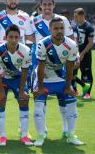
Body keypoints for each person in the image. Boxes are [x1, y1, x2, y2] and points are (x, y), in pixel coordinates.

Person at [33, 17, 84, 146]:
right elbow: (41, 66)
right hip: (43, 78)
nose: (59, 31)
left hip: (61, 78)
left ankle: (70, 135)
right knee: (38, 106)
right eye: (56, 28)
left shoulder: (71, 45)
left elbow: (69, 68)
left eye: (62, 28)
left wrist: (68, 87)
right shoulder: (43, 44)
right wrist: (39, 87)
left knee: (71, 104)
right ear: (50, 29)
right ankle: (40, 135)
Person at [31, 0, 75, 137]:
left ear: (53, 5)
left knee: (63, 99)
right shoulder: (34, 21)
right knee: (40, 99)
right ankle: (42, 131)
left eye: (50, 4)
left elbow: (71, 40)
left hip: (59, 66)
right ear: (41, 6)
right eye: (45, 4)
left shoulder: (62, 20)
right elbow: (30, 41)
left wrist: (77, 56)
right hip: (40, 64)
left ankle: (66, 129)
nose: (47, 7)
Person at [0, 24, 33, 146]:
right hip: (2, 79)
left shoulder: (26, 50)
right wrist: (1, 91)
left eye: (16, 37)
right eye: (11, 37)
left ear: (20, 38)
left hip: (18, 79)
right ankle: (2, 136)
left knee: (24, 100)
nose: (14, 40)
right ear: (5, 37)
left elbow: (25, 71)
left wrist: (22, 91)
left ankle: (24, 136)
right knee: (0, 101)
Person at [73, 8, 93, 99]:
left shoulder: (88, 27)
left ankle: (87, 93)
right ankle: (75, 90)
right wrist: (77, 52)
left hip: (86, 55)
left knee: (86, 74)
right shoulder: (76, 26)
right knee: (72, 73)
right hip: (76, 54)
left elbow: (90, 43)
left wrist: (83, 53)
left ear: (81, 16)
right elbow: (75, 40)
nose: (75, 19)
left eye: (76, 17)